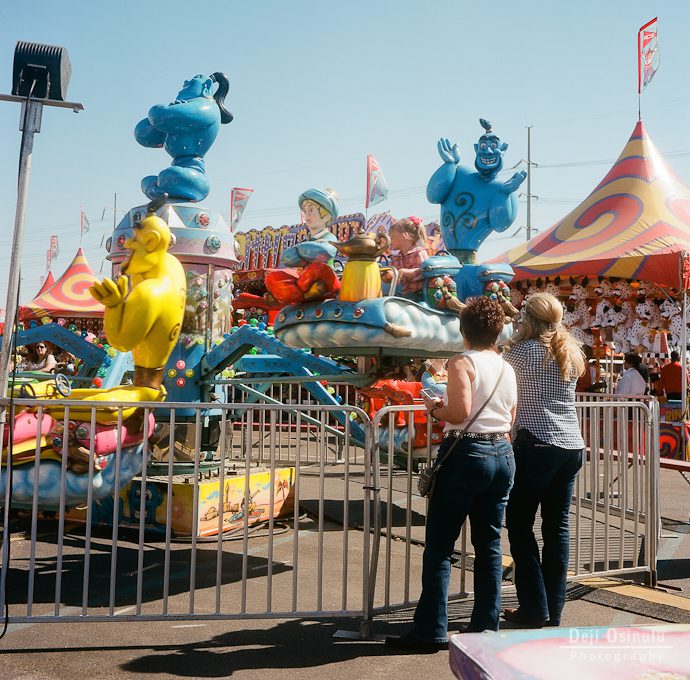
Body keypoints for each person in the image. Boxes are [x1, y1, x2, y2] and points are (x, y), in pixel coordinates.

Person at [387, 297, 517, 651]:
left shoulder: (462, 361)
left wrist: (434, 408)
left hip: (466, 453)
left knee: (441, 546)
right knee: (489, 545)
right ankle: (485, 626)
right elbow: (511, 417)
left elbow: (459, 410)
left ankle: (430, 629)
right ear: (496, 330)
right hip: (502, 453)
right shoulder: (507, 367)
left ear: (464, 330)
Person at [502, 292, 586, 628]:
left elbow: (500, 383)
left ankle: (534, 607)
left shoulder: (522, 352)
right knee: (557, 529)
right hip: (571, 445)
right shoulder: (572, 351)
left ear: (529, 318)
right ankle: (554, 607)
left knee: (520, 525)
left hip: (537, 443)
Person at [264, 188, 340, 304]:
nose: (307, 215)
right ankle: (302, 294)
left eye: (311, 210)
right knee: (272, 276)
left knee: (318, 268)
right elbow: (287, 258)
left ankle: (294, 294)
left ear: (326, 216)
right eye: (305, 211)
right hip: (304, 282)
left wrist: (299, 252)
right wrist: (302, 251)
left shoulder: (329, 237)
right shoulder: (305, 241)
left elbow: (326, 251)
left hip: (325, 281)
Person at [381, 216, 430, 296]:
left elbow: (426, 271)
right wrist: (387, 276)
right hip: (406, 295)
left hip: (421, 295)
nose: (390, 240)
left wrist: (406, 272)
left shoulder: (419, 252)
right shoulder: (396, 258)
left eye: (392, 236)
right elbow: (392, 278)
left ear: (405, 236)